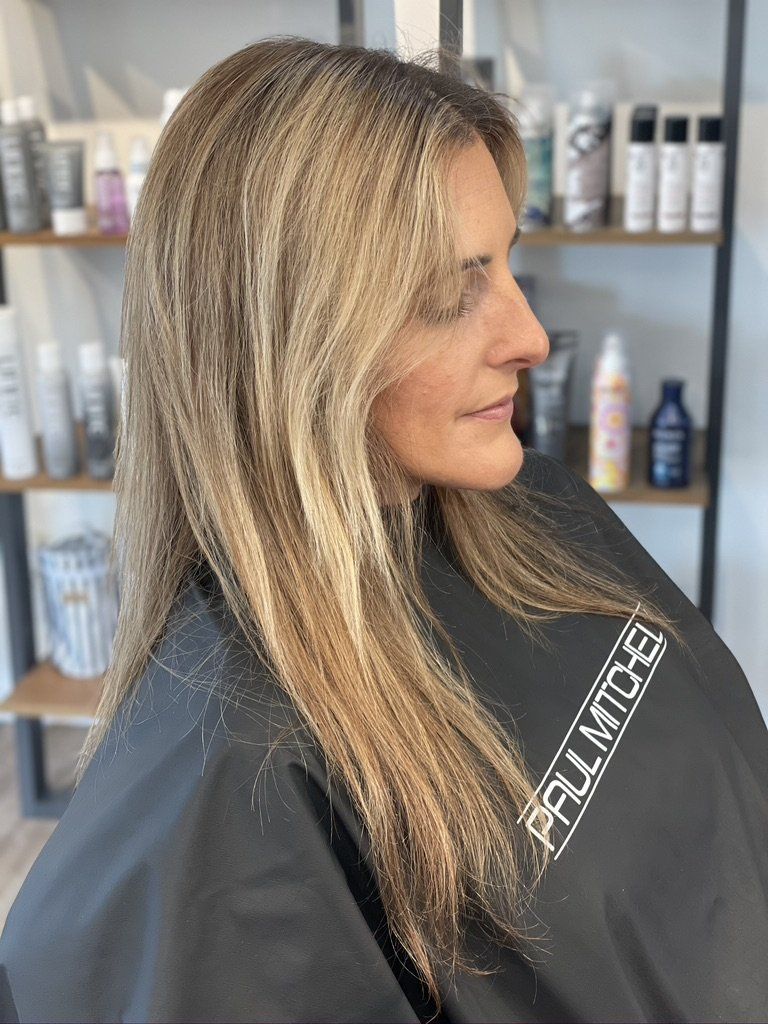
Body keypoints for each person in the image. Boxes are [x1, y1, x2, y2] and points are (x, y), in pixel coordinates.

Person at [1, 36, 767, 1024]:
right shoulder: (233, 785)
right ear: (289, 337)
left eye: (506, 263)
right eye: (454, 289)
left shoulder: (536, 509)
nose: (530, 336)